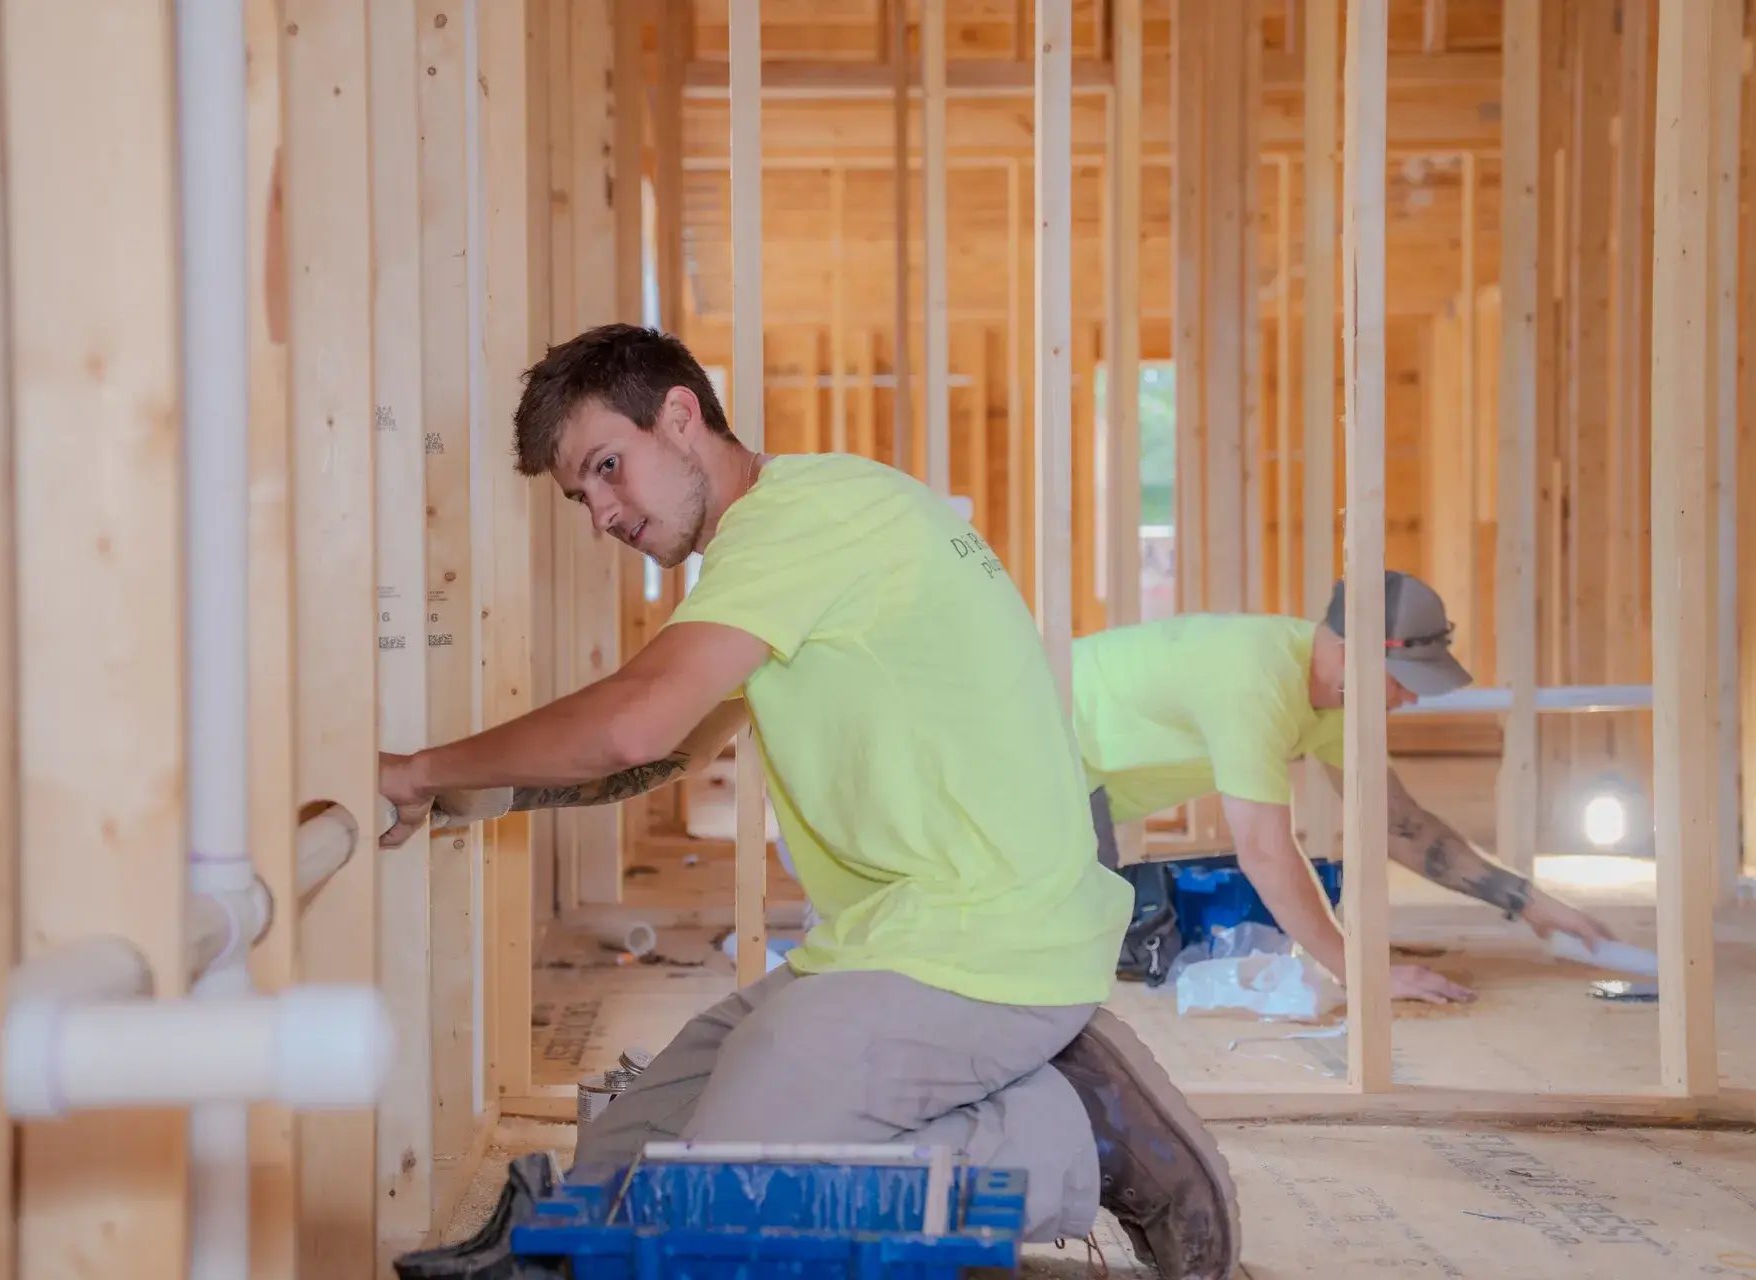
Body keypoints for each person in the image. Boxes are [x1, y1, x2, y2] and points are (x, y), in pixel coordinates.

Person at [382, 324, 1240, 1279]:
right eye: (582, 496)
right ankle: (992, 1092)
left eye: (607, 468)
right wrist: (472, 793)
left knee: (724, 1207)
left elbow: (635, 726)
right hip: (898, 940)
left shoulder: (800, 521)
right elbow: (666, 754)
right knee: (621, 1168)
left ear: (680, 415)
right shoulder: (790, 533)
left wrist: (418, 769)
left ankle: (1069, 1132)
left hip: (990, 945)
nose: (603, 514)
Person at [1074, 570, 1616, 1004]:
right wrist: (1360, 974)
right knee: (1065, 964)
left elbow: (1399, 825)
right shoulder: (1254, 680)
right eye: (1402, 680)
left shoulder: (1334, 702)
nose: (1412, 698)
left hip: (1078, 779)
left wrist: (1528, 901)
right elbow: (1264, 852)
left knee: (1088, 950)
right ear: (1348, 653)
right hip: (1042, 746)